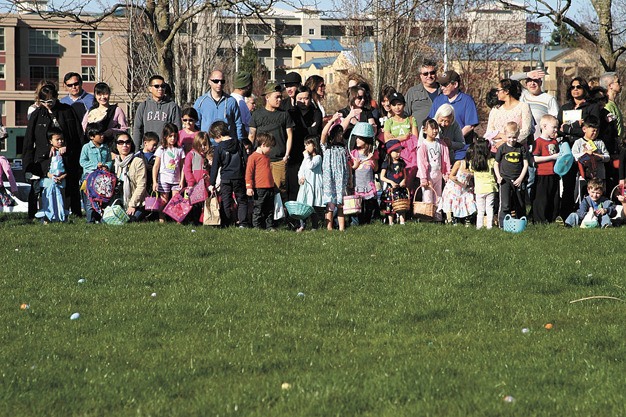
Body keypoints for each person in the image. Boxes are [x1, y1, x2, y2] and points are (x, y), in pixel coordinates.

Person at [23, 82, 85, 218]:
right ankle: (37, 215)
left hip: (67, 157)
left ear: (57, 97)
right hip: (43, 159)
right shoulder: (37, 114)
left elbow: (77, 135)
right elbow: (29, 140)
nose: (47, 104)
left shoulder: (67, 111)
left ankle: (72, 214)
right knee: (39, 188)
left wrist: (68, 148)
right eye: (43, 101)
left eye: (50, 101)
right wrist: (27, 164)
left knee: (70, 186)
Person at [558, 77, 601, 218]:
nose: (575, 89)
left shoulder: (592, 107)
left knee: (588, 182)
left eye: (579, 87)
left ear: (584, 89)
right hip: (568, 150)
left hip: (586, 148)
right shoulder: (565, 108)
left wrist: (569, 128)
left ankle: (590, 213)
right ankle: (565, 214)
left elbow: (592, 128)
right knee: (568, 182)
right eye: (573, 87)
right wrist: (576, 126)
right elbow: (558, 129)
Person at [248, 83, 294, 201]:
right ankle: (263, 218)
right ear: (267, 97)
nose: (279, 99)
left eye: (280, 97)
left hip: (279, 160)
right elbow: (251, 136)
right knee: (262, 192)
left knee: (279, 193)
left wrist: (286, 155)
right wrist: (250, 155)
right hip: (261, 161)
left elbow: (289, 135)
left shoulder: (284, 115)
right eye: (276, 97)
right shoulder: (257, 114)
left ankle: (280, 218)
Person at [209, 121, 248, 228]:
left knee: (226, 201)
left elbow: (215, 167)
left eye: (214, 138)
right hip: (239, 176)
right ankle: (243, 223)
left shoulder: (219, 148)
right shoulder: (239, 143)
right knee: (242, 200)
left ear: (218, 135)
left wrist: (212, 183)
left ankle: (227, 223)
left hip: (226, 178)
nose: (214, 141)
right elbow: (246, 160)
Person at [288, 85, 323, 203]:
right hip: (295, 152)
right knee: (295, 184)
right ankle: (295, 215)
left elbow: (315, 131)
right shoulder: (291, 112)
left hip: (312, 153)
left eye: (306, 98)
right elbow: (306, 131)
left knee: (312, 183)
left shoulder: (316, 112)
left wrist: (306, 129)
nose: (303, 101)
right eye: (300, 99)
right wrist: (308, 128)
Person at [428, 70, 479, 143]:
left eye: (445, 85)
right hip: (441, 147)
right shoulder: (438, 100)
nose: (442, 88)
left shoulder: (467, 101)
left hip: (461, 149)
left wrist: (454, 140)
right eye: (441, 85)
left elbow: (469, 126)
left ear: (455, 84)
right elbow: (432, 121)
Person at [494, 122, 529, 226]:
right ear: (505, 135)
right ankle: (503, 224)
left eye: (514, 137)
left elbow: (526, 164)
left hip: (518, 180)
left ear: (518, 136)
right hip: (505, 180)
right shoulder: (502, 148)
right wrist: (498, 177)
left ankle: (521, 223)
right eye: (509, 137)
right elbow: (496, 164)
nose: (512, 140)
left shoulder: (521, 148)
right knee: (505, 204)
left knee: (520, 203)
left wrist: (520, 178)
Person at [133, 75, 182, 148]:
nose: (160, 88)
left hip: (165, 150)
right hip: (147, 150)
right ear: (150, 88)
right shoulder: (143, 106)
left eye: (163, 86)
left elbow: (178, 130)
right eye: (157, 86)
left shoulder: (172, 106)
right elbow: (137, 129)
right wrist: (136, 149)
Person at [194, 70, 244, 141]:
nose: (219, 84)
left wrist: (240, 142)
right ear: (209, 82)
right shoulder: (200, 102)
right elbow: (195, 125)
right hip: (207, 145)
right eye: (216, 81)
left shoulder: (231, 101)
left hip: (227, 145)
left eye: (222, 81)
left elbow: (238, 124)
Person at [383, 92, 418, 192]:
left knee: (410, 178)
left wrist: (395, 137)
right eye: (394, 105)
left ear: (404, 104)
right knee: (397, 177)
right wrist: (402, 138)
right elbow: (387, 140)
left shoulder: (411, 119)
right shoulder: (389, 122)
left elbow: (415, 137)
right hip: (396, 153)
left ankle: (409, 201)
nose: (397, 108)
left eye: (399, 104)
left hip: (410, 154)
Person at [417, 118, 451, 221]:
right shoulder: (423, 146)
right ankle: (428, 217)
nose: (435, 131)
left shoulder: (441, 144)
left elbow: (446, 159)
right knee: (428, 196)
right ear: (425, 130)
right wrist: (424, 178)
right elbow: (421, 164)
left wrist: (447, 173)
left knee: (438, 196)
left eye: (436, 128)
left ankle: (438, 217)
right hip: (428, 175)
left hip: (438, 174)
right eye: (432, 129)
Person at [320, 113, 350, 231]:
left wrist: (350, 179)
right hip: (329, 178)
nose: (340, 136)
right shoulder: (326, 147)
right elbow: (323, 133)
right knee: (330, 204)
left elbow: (347, 164)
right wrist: (332, 120)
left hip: (341, 178)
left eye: (341, 133)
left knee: (341, 203)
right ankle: (329, 227)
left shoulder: (343, 148)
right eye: (338, 133)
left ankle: (342, 228)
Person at [486, 79, 533, 149]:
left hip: (517, 150)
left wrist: (506, 142)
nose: (496, 93)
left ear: (507, 91)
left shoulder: (523, 107)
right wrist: (500, 135)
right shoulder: (495, 109)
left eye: (498, 90)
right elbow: (488, 132)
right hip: (496, 150)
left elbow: (526, 131)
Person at [80, 124, 113, 223]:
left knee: (103, 198)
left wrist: (106, 166)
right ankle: (90, 220)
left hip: (103, 177)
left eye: (103, 134)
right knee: (91, 199)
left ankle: (102, 218)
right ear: (91, 136)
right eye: (99, 134)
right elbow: (83, 161)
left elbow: (109, 160)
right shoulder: (86, 147)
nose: (102, 136)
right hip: (89, 177)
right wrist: (95, 166)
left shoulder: (106, 147)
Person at [152, 123, 185, 223]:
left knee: (176, 200)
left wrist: (182, 180)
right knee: (164, 200)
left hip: (176, 179)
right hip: (164, 180)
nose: (172, 138)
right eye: (170, 136)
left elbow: (183, 166)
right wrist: (154, 181)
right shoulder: (161, 149)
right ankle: (161, 217)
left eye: (175, 136)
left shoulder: (180, 150)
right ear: (165, 136)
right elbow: (156, 166)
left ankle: (177, 218)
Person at [35, 127, 68, 222]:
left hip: (61, 181)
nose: (60, 141)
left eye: (62, 139)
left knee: (60, 200)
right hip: (48, 181)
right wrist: (50, 175)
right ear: (50, 141)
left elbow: (68, 168)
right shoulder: (47, 153)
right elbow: (43, 167)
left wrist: (62, 177)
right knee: (47, 200)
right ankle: (46, 218)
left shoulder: (65, 153)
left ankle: (60, 217)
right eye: (57, 139)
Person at [531, 115, 561, 223]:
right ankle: (539, 219)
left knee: (553, 198)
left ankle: (552, 217)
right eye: (553, 127)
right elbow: (535, 158)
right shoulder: (538, 142)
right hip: (542, 174)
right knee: (541, 198)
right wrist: (552, 157)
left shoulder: (554, 142)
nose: (556, 130)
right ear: (544, 126)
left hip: (554, 173)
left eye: (557, 127)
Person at [113, 132, 147, 222]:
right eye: (120, 142)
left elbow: (141, 185)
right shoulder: (114, 163)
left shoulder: (138, 161)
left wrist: (132, 205)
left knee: (130, 221)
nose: (125, 145)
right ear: (116, 145)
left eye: (127, 142)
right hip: (119, 201)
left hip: (137, 202)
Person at [350, 123, 379, 225]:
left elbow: (376, 168)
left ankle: (368, 220)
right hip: (358, 183)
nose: (357, 140)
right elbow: (351, 168)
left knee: (369, 203)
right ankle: (360, 221)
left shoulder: (372, 152)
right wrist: (356, 165)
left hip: (368, 183)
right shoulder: (354, 153)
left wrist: (373, 159)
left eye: (360, 138)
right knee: (359, 204)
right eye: (357, 138)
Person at [245, 132, 276, 230]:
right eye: (269, 147)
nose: (270, 150)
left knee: (269, 208)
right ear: (263, 145)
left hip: (269, 187)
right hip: (259, 188)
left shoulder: (266, 157)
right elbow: (249, 173)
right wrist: (249, 186)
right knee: (258, 208)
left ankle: (269, 226)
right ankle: (256, 226)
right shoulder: (253, 157)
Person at [439, 147, 476, 226]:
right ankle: (451, 218)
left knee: (470, 198)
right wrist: (458, 182)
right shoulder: (459, 163)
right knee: (452, 198)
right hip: (454, 186)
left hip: (465, 188)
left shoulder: (473, 166)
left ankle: (467, 218)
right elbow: (451, 176)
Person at [571, 115, 610, 191]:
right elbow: (573, 156)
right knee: (584, 195)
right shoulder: (578, 142)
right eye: (593, 131)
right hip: (583, 176)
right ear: (584, 129)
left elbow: (607, 157)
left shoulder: (600, 142)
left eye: (597, 131)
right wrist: (584, 154)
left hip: (599, 176)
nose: (595, 133)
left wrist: (599, 157)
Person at [296, 135, 324, 231]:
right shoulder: (306, 158)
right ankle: (302, 225)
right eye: (305, 145)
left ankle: (315, 226)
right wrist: (301, 178)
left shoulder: (318, 158)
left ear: (315, 145)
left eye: (308, 145)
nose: (306, 147)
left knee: (313, 207)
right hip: (305, 187)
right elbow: (301, 170)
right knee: (303, 205)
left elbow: (310, 166)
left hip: (314, 185)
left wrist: (306, 156)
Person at [183, 132, 211, 224]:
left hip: (205, 184)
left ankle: (202, 220)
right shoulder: (191, 155)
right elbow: (187, 169)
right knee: (195, 204)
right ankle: (193, 221)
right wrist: (191, 182)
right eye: (201, 145)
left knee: (204, 203)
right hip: (194, 184)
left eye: (205, 145)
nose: (203, 147)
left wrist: (209, 179)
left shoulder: (207, 155)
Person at [470, 139, 497, 229]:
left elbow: (471, 171)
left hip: (479, 189)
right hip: (490, 187)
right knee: (490, 208)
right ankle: (489, 226)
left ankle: (479, 226)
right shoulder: (491, 161)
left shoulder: (473, 163)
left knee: (480, 210)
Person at [380, 139, 409, 225]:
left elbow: (404, 175)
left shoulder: (401, 163)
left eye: (399, 151)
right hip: (391, 189)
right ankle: (391, 221)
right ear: (390, 152)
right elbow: (382, 177)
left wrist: (403, 181)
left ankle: (402, 221)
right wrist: (391, 182)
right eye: (396, 151)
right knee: (391, 205)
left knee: (401, 204)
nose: (398, 153)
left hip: (400, 188)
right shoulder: (387, 163)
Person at [405, 59, 441, 127]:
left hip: (443, 135)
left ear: (436, 74)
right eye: (425, 74)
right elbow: (404, 114)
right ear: (421, 76)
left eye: (432, 73)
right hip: (419, 135)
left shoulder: (444, 91)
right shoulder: (412, 92)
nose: (429, 76)